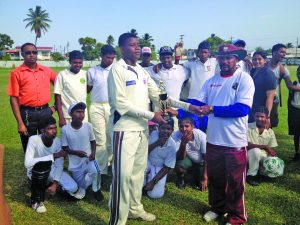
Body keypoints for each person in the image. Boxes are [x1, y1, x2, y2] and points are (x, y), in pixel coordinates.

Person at [107, 32, 198, 225]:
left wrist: (189, 107)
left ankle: (134, 209)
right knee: (122, 177)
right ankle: (117, 221)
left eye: (138, 44)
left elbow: (159, 96)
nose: (137, 48)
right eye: (132, 45)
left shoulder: (142, 71)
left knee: (138, 174)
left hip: (141, 131)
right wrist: (152, 116)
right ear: (122, 48)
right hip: (124, 130)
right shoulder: (117, 69)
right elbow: (120, 104)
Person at [197, 44, 255, 224]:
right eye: (221, 58)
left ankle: (237, 216)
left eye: (228, 57)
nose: (224, 61)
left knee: (236, 182)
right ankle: (217, 207)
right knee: (215, 178)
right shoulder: (210, 81)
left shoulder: (244, 79)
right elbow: (196, 103)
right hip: (213, 139)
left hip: (234, 141)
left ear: (236, 59)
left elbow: (242, 109)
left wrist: (212, 108)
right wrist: (177, 108)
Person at [24, 116, 84, 213]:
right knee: (40, 169)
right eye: (50, 129)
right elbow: (27, 163)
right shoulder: (33, 140)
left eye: (55, 128)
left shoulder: (58, 142)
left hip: (51, 169)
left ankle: (52, 186)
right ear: (42, 130)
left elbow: (59, 165)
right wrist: (53, 156)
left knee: (74, 189)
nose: (54, 131)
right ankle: (36, 200)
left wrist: (55, 184)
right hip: (35, 170)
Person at [7, 42, 56, 152]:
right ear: (23, 54)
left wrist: (55, 107)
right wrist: (20, 123)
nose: (31, 55)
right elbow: (13, 98)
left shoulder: (46, 70)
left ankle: (48, 166)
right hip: (28, 114)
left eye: (34, 52)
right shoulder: (16, 73)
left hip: (45, 111)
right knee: (29, 145)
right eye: (28, 53)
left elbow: (61, 86)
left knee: (48, 142)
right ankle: (32, 168)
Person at [87, 45, 115, 193]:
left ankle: (107, 165)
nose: (110, 60)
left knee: (111, 137)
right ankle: (101, 172)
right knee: (100, 140)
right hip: (96, 106)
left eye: (112, 58)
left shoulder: (115, 70)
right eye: (107, 57)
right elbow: (87, 89)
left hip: (111, 106)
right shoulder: (92, 71)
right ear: (101, 56)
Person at [61, 102, 103, 201]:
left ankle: (96, 189)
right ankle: (84, 185)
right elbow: (65, 148)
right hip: (75, 163)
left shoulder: (88, 126)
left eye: (83, 112)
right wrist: (76, 153)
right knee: (81, 186)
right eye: (78, 112)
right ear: (71, 114)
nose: (81, 115)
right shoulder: (65, 129)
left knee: (96, 171)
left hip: (88, 159)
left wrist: (93, 154)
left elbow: (93, 142)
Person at [179, 41, 219, 132]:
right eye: (201, 52)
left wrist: (246, 60)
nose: (203, 54)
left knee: (205, 126)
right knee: (192, 126)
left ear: (209, 53)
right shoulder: (191, 63)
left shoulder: (214, 61)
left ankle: (202, 145)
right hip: (194, 98)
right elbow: (178, 66)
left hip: (208, 99)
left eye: (205, 52)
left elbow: (229, 58)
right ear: (198, 52)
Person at [149, 46, 189, 129]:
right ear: (160, 58)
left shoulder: (182, 70)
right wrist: (155, 65)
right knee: (160, 135)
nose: (166, 60)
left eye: (168, 57)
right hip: (159, 111)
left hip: (175, 110)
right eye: (163, 58)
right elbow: (139, 69)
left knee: (174, 135)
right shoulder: (153, 70)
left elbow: (195, 72)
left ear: (172, 57)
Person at [268, 43, 300, 127]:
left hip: (273, 100)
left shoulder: (283, 69)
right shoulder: (262, 65)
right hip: (259, 99)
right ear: (274, 52)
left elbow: (290, 86)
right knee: (258, 121)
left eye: (285, 53)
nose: (284, 54)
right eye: (282, 52)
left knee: (271, 123)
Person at [143, 119, 176, 199]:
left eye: (168, 129)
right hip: (147, 162)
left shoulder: (172, 145)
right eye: (163, 128)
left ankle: (155, 181)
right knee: (137, 187)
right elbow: (143, 152)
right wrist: (156, 143)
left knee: (155, 195)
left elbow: (167, 167)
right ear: (158, 128)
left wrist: (153, 182)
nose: (165, 131)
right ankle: (144, 180)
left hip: (160, 168)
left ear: (172, 130)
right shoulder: (153, 135)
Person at [172, 117, 207, 191]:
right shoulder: (176, 135)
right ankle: (181, 178)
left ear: (192, 127)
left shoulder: (201, 136)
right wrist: (183, 143)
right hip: (188, 159)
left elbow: (207, 158)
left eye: (187, 126)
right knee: (178, 165)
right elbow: (179, 157)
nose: (184, 129)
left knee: (199, 183)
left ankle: (195, 173)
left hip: (202, 162)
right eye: (181, 126)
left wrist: (204, 177)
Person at [54, 50, 87, 127]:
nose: (78, 65)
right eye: (75, 62)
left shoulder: (85, 74)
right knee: (68, 138)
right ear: (70, 62)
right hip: (68, 115)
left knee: (83, 137)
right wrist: (61, 117)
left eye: (80, 63)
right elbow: (57, 97)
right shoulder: (62, 74)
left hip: (83, 115)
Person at [246, 107, 278, 186]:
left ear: (267, 118)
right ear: (254, 116)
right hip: (249, 155)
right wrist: (265, 146)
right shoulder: (248, 127)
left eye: (262, 117)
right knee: (255, 151)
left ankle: (261, 172)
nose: (259, 119)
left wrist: (273, 157)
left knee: (273, 160)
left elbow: (272, 149)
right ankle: (251, 175)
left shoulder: (270, 131)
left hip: (262, 155)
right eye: (257, 116)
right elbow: (247, 145)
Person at [248, 51, 277, 124]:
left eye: (259, 59)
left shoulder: (268, 74)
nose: (257, 61)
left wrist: (267, 116)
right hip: (252, 107)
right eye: (254, 59)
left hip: (261, 110)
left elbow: (270, 97)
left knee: (259, 132)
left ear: (265, 60)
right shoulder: (252, 71)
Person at [288, 65, 300, 161]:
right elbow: (290, 97)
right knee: (296, 134)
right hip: (295, 111)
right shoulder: (295, 83)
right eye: (298, 72)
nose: (299, 74)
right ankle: (297, 153)